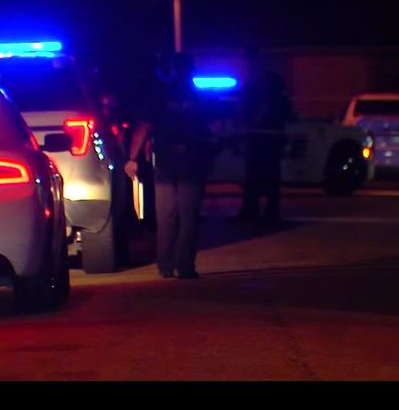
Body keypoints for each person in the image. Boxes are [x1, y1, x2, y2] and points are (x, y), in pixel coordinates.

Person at [125, 53, 216, 279]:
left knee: (166, 215)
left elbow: (142, 129)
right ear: (191, 69)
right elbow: (214, 127)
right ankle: (185, 265)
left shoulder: (159, 94)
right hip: (191, 163)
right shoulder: (200, 96)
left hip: (166, 163)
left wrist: (132, 158)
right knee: (188, 216)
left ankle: (165, 265)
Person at [235, 71, 294, 222]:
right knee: (269, 179)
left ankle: (253, 211)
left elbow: (262, 114)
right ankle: (269, 212)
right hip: (270, 142)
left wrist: (247, 128)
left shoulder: (267, 99)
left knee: (255, 178)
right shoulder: (280, 98)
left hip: (260, 142)